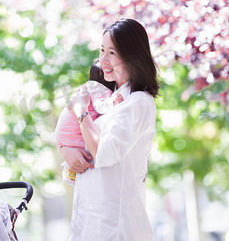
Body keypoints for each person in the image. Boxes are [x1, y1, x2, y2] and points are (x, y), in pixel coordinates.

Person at [59, 18, 160, 240]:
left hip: (115, 227)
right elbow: (83, 157)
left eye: (112, 53)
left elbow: (103, 152)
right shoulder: (105, 98)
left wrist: (81, 111)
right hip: (88, 223)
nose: (103, 60)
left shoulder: (138, 102)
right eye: (102, 50)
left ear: (132, 55)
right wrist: (67, 151)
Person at [55, 59, 123, 185]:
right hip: (71, 135)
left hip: (65, 136)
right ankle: (70, 174)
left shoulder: (89, 87)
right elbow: (99, 105)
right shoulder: (98, 88)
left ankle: (69, 174)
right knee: (82, 159)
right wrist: (112, 102)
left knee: (79, 161)